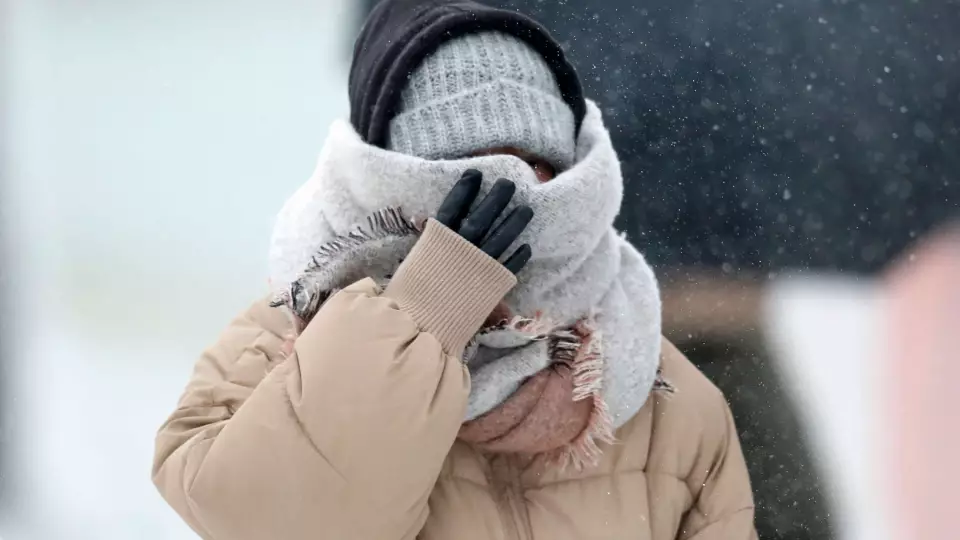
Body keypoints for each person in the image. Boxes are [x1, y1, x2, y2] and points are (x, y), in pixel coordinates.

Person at [152, 0, 756, 538]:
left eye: (534, 162)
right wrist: (423, 314)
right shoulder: (274, 346)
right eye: (469, 166)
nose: (511, 185)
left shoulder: (649, 382)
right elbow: (281, 522)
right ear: (390, 173)